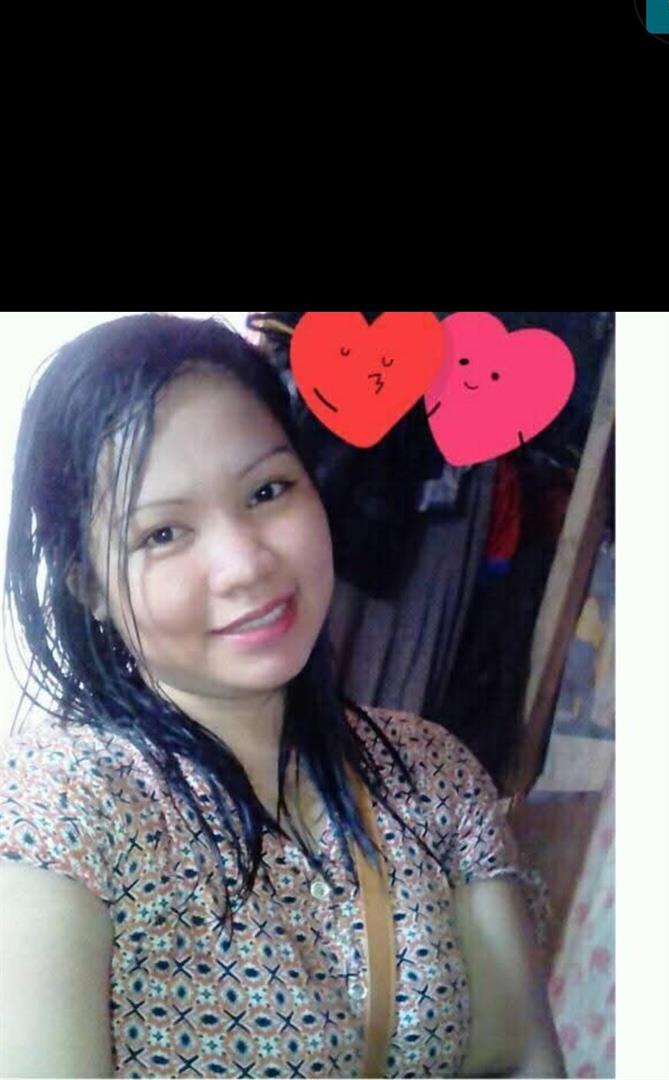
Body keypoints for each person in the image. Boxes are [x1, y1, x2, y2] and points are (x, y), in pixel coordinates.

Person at [0, 314, 566, 1079]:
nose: (245, 564)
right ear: (89, 587)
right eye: (162, 534)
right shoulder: (63, 808)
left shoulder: (431, 773)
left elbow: (521, 1058)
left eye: (267, 491)